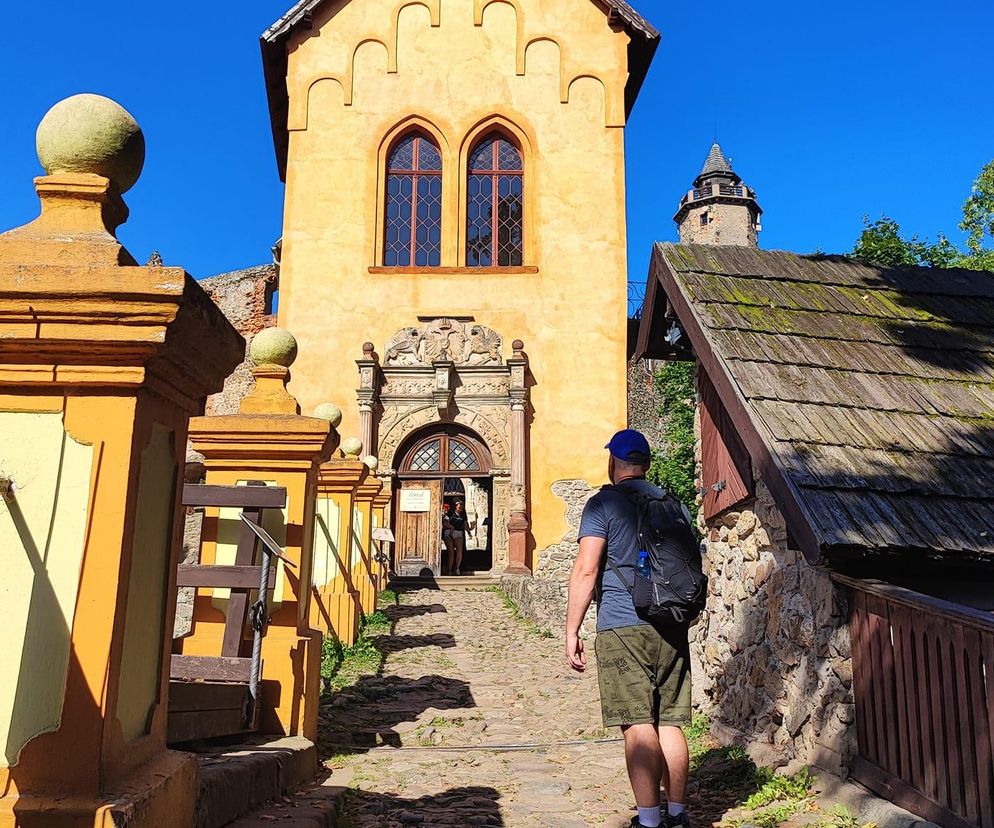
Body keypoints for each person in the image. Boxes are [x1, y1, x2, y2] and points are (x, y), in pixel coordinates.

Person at [565, 429, 693, 828]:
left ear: (614, 462)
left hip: (622, 625)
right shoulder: (674, 505)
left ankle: (650, 821)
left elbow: (587, 568)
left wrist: (572, 630)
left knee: (637, 722)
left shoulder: (602, 503)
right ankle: (677, 813)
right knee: (670, 721)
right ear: (647, 463)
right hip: (671, 623)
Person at [449, 500, 475, 575]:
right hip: (450, 533)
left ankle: (457, 568)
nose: (460, 509)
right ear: (455, 507)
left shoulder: (463, 515)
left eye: (461, 507)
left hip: (459, 532)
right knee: (451, 552)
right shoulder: (451, 513)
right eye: (459, 507)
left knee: (459, 552)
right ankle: (450, 569)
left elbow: (465, 525)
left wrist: (469, 532)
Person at [441, 502, 455, 574]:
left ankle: (449, 569)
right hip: (446, 534)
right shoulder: (443, 516)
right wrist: (451, 527)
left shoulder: (445, 516)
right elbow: (446, 525)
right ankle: (449, 570)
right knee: (451, 552)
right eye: (445, 509)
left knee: (451, 552)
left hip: (448, 534)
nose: (447, 511)